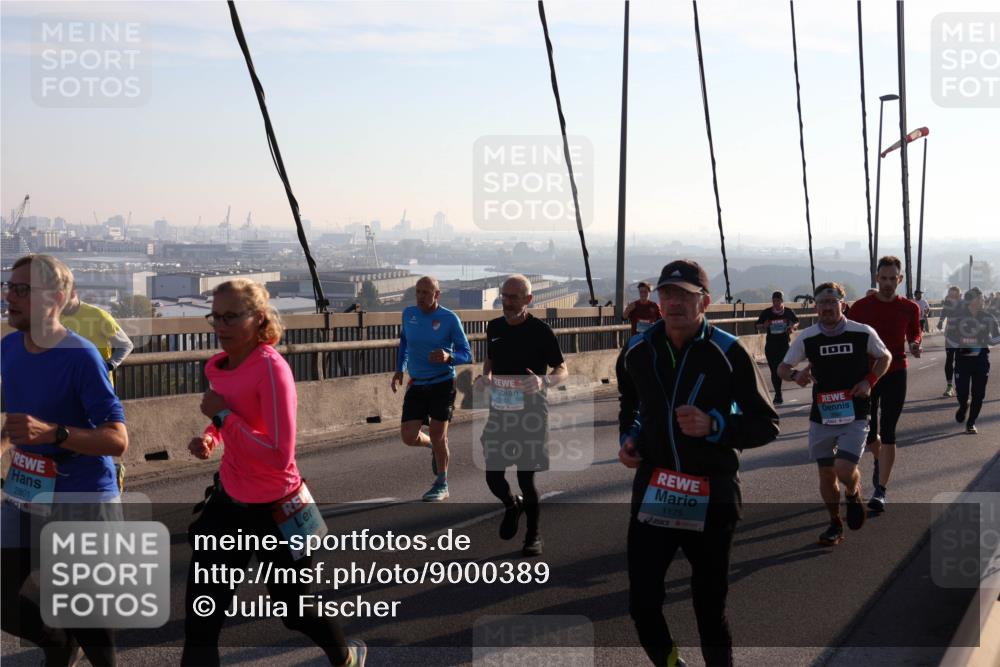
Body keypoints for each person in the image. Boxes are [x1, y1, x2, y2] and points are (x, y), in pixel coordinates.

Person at [182, 279, 365, 667]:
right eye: (215, 316)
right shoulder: (219, 367)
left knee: (295, 612)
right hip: (228, 504)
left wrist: (222, 417)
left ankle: (345, 657)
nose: (221, 325)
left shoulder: (272, 369)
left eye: (231, 316)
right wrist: (211, 436)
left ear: (258, 318)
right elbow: (232, 418)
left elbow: (278, 454)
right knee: (201, 621)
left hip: (276, 509)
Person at [617, 259, 779, 667]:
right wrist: (630, 439)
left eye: (684, 296)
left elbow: (766, 424)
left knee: (708, 608)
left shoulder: (728, 351)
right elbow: (632, 404)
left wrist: (716, 425)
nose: (673, 303)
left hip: (712, 491)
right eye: (666, 294)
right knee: (642, 603)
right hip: (655, 487)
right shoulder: (638, 349)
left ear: (704, 302)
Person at [1, 255, 129, 666]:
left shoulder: (81, 355)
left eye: (22, 290)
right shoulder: (8, 348)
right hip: (25, 490)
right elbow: (18, 421)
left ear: (55, 299)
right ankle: (55, 643)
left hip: (81, 496)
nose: (10, 296)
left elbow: (117, 439)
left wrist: (54, 433)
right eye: (9, 287)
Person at [778, 282, 891, 545]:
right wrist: (796, 375)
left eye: (832, 302)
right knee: (826, 474)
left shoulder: (862, 332)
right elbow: (782, 368)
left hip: (855, 412)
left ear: (843, 304)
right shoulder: (808, 337)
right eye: (822, 303)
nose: (827, 307)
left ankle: (853, 491)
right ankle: (835, 524)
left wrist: (869, 382)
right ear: (815, 307)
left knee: (843, 468)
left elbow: (884, 357)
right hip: (823, 414)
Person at [475, 275, 567, 557]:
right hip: (500, 412)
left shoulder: (541, 331)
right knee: (493, 477)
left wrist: (543, 381)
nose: (507, 301)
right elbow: (490, 358)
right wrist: (486, 376)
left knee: (527, 480)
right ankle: (511, 505)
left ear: (528, 300)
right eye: (504, 295)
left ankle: (533, 536)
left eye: (514, 297)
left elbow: (561, 369)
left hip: (531, 414)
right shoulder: (494, 327)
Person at [847, 256, 921, 513]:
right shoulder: (860, 307)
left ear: (900, 279)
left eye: (894, 279)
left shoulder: (910, 307)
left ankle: (881, 489)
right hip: (867, 375)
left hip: (897, 371)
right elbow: (848, 333)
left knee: (889, 431)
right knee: (870, 433)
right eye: (884, 278)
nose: (888, 283)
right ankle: (879, 460)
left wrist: (914, 343)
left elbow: (914, 331)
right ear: (877, 278)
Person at [391, 276, 472, 502]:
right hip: (417, 383)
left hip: (442, 382)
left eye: (426, 292)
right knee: (408, 437)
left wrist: (449, 357)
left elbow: (468, 353)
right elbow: (405, 342)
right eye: (418, 292)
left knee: (439, 434)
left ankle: (442, 483)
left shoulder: (449, 319)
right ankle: (433, 448)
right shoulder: (409, 314)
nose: (420, 296)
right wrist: (400, 369)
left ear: (437, 295)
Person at [946, 287, 1000, 434]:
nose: (983, 301)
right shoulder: (958, 317)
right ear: (972, 300)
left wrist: (987, 340)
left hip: (981, 360)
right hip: (963, 360)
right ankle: (964, 405)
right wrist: (961, 345)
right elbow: (949, 336)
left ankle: (971, 422)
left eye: (982, 298)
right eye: (980, 298)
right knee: (962, 393)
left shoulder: (988, 317)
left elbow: (997, 337)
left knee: (979, 394)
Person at [61, 290, 134, 385]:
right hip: (69, 386)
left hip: (98, 384)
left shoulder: (98, 315)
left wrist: (110, 364)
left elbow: (126, 345)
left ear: (73, 294)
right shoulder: (55, 317)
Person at [754, 290, 799, 405]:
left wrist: (792, 327)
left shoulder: (788, 312)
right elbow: (757, 325)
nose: (776, 303)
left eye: (778, 301)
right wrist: (764, 325)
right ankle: (778, 394)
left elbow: (797, 322)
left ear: (782, 301)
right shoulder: (767, 312)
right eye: (774, 301)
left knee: (782, 369)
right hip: (771, 346)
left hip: (784, 345)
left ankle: (795, 377)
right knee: (774, 371)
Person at [938, 285, 963, 397]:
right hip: (950, 336)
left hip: (961, 337)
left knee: (959, 361)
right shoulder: (948, 303)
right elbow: (943, 313)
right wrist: (940, 321)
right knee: (949, 360)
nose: (952, 297)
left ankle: (959, 385)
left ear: (959, 295)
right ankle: (949, 386)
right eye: (950, 294)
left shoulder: (964, 304)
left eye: (954, 295)